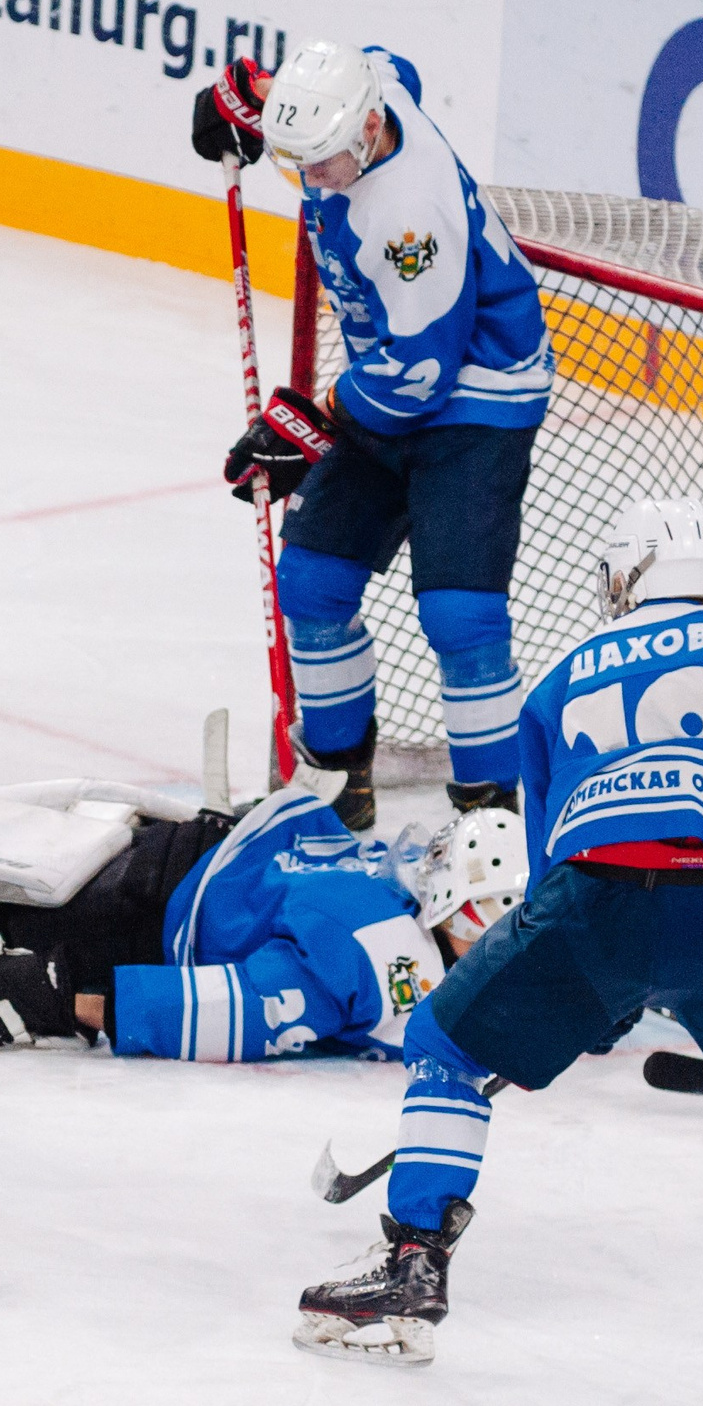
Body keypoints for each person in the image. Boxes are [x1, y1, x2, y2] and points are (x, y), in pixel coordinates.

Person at [290, 497, 703, 1369]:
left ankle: (414, 1261)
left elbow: (549, 861)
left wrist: (591, 992)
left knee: (445, 1044)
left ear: (628, 577)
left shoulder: (562, 678)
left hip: (599, 899)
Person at [192, 42, 552, 830]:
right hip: (389, 375)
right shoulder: (369, 100)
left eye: (321, 161)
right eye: (297, 160)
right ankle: (337, 788)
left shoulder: (409, 217)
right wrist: (254, 98)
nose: (310, 178)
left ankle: (489, 820)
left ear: (367, 131)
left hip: (477, 396)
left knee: (460, 617)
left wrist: (311, 421)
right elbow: (391, 63)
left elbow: (422, 373)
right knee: (311, 585)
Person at [0, 793, 522, 1062]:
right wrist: (64, 1001)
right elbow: (236, 1011)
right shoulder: (383, 955)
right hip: (158, 906)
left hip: (206, 852)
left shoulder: (413, 881)